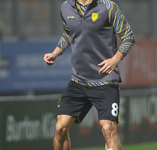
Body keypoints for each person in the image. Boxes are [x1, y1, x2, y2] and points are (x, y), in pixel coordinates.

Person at [44, 0, 135, 150]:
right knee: (60, 128)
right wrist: (55, 53)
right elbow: (68, 33)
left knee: (108, 130)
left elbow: (128, 36)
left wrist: (114, 60)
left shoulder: (108, 7)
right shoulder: (66, 7)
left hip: (105, 81)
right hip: (78, 82)